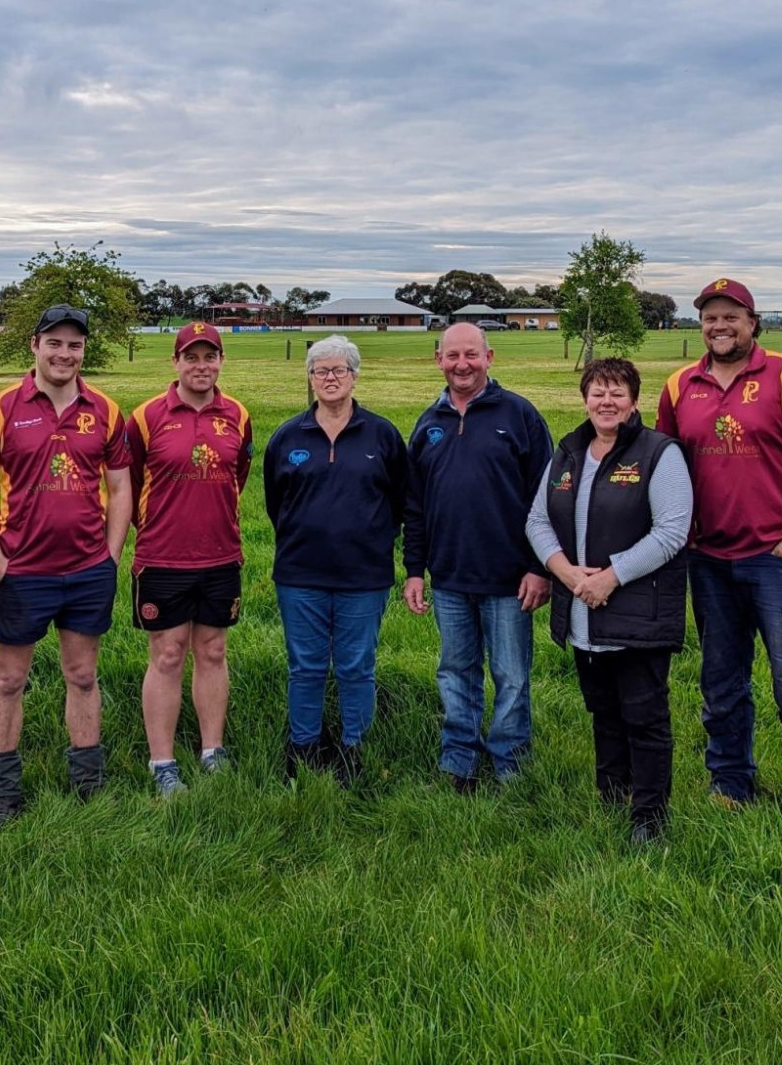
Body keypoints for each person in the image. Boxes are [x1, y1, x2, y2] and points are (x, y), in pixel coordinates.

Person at [657, 277, 782, 842]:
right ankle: (730, 784)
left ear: (753, 322)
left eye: (731, 317)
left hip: (778, 561)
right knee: (721, 682)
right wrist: (679, 535)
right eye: (710, 318)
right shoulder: (677, 386)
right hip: (709, 560)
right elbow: (665, 467)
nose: (720, 327)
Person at [0, 306, 131, 831]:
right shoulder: (0, 409)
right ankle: (2, 793)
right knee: (9, 680)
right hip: (23, 571)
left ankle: (88, 784)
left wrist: (111, 553)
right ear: (34, 345)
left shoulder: (105, 410)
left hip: (86, 569)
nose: (64, 354)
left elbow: (122, 486)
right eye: (54, 343)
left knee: (82, 675)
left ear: (84, 352)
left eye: (74, 346)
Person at [527, 358, 691, 844]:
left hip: (637, 610)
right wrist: (566, 573)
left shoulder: (659, 453)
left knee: (645, 715)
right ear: (584, 399)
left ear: (634, 401)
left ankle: (649, 816)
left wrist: (612, 577)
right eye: (597, 392)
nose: (606, 401)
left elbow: (672, 532)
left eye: (617, 393)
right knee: (603, 709)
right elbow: (537, 520)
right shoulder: (569, 452)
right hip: (582, 609)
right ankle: (612, 794)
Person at [403, 322, 554, 790]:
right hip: (448, 576)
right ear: (438, 360)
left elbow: (544, 499)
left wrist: (537, 567)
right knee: (455, 671)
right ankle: (459, 760)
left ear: (490, 357)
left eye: (471, 354)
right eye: (452, 356)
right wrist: (414, 570)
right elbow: (416, 505)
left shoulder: (520, 415)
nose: (461, 364)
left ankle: (509, 761)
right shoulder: (429, 424)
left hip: (510, 578)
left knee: (511, 675)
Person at [262, 335, 410, 785]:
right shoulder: (288, 437)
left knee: (356, 666)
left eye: (338, 370)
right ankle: (303, 746)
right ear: (309, 378)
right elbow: (275, 502)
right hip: (300, 574)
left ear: (354, 375)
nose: (329, 378)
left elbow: (400, 501)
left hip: (363, 576)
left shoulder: (381, 434)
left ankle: (353, 748)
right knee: (304, 665)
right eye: (320, 371)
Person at [125, 322, 254, 796]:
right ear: (175, 362)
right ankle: (162, 762)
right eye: (191, 357)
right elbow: (129, 483)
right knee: (167, 653)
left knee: (213, 650)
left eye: (210, 357)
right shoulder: (145, 416)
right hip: (162, 557)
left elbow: (238, 472)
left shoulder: (238, 414)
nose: (202, 366)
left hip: (221, 554)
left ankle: (212, 751)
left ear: (221, 361)